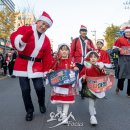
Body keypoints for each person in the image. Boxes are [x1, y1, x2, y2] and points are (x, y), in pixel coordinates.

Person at [10, 11, 53, 121]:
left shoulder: (47, 40)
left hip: (37, 66)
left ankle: (41, 103)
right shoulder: (25, 28)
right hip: (22, 64)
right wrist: (22, 40)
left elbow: (47, 57)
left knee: (39, 87)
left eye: (46, 26)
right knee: (25, 90)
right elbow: (14, 36)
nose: (43, 27)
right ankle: (29, 111)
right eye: (42, 23)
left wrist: (46, 70)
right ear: (37, 21)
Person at [48, 44, 79, 124]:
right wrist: (50, 71)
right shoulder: (56, 61)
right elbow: (51, 70)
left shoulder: (71, 62)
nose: (64, 51)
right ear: (59, 51)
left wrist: (75, 69)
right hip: (58, 85)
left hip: (68, 85)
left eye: (66, 50)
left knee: (67, 100)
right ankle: (59, 109)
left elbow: (74, 69)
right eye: (62, 50)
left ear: (69, 51)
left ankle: (64, 115)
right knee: (58, 100)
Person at [79, 51, 106, 125]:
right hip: (90, 87)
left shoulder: (100, 67)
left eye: (95, 57)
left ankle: (93, 108)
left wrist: (104, 71)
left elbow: (104, 75)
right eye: (91, 57)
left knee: (95, 99)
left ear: (97, 58)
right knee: (91, 101)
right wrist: (83, 78)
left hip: (98, 87)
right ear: (89, 58)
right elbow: (81, 75)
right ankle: (92, 117)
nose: (93, 59)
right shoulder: (86, 67)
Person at [70, 25, 95, 99]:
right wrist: (72, 62)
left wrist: (90, 48)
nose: (84, 32)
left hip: (87, 62)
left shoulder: (89, 41)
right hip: (78, 61)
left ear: (86, 32)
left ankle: (83, 91)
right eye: (82, 31)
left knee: (86, 77)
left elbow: (93, 51)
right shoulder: (76, 40)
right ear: (80, 32)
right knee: (78, 77)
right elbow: (71, 52)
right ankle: (78, 90)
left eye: (85, 31)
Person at [113, 26, 130, 97]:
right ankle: (118, 87)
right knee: (122, 76)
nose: (128, 34)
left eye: (129, 32)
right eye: (127, 32)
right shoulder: (120, 40)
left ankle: (129, 92)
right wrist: (119, 49)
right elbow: (114, 49)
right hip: (123, 59)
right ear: (124, 33)